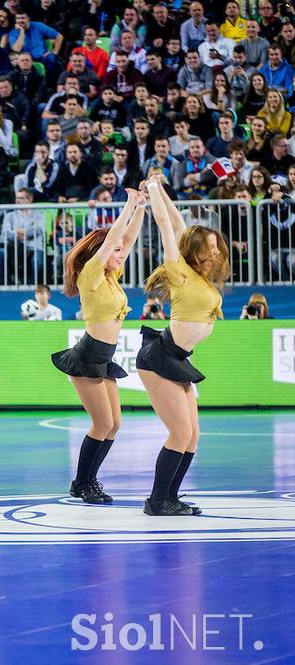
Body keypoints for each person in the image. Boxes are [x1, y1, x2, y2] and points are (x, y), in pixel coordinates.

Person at [137, 178, 228, 516]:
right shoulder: (179, 271)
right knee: (180, 431)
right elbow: (167, 224)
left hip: (178, 357)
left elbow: (178, 222)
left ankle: (169, 498)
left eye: (217, 248)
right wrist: (155, 190)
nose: (215, 254)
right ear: (194, 250)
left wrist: (161, 190)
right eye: (210, 249)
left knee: (192, 436)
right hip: (160, 357)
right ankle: (157, 501)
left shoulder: (199, 276)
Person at [52, 189, 146, 504]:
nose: (121, 254)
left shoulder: (110, 276)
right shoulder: (91, 274)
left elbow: (127, 238)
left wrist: (142, 208)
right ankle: (82, 482)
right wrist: (129, 204)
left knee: (114, 424)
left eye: (120, 252)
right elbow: (113, 240)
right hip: (88, 356)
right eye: (114, 251)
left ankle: (88, 480)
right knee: (102, 423)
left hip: (104, 357)